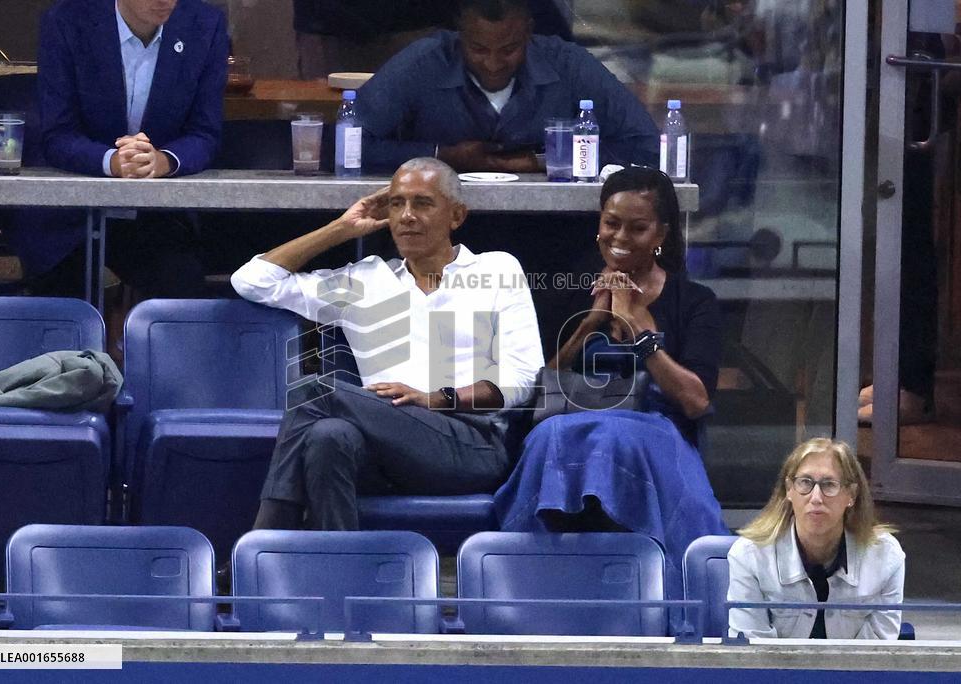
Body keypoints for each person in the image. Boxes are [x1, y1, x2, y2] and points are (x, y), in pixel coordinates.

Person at [231, 157, 543, 530]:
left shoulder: (496, 270)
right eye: (396, 204)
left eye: (422, 203)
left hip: (470, 444)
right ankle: (337, 560)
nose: (407, 216)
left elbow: (524, 378)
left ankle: (268, 532)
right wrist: (340, 228)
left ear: (456, 216)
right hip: (383, 448)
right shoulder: (363, 282)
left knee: (315, 391)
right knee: (328, 436)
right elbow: (253, 281)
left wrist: (435, 398)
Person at [494, 166, 728, 600]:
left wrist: (637, 326)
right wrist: (592, 322)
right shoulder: (569, 290)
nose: (620, 237)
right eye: (611, 223)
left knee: (609, 436)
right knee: (556, 435)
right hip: (566, 426)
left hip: (657, 434)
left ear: (661, 233)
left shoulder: (695, 301)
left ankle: (672, 602)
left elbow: (695, 401)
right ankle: (528, 598)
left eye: (637, 228)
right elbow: (539, 388)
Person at [23, 0, 229, 298]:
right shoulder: (67, 21)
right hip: (72, 212)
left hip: (157, 211)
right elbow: (57, 133)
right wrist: (113, 162)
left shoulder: (205, 25)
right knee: (60, 295)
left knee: (180, 280)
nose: (165, 0)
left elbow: (204, 133)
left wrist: (163, 161)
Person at [355, 0, 659, 173]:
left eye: (509, 49)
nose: (493, 63)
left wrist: (546, 160)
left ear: (528, 33)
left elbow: (647, 146)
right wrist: (440, 155)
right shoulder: (424, 62)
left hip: (555, 230)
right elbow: (349, 146)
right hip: (440, 233)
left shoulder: (568, 63)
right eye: (478, 49)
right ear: (460, 35)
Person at [727, 438, 906, 639]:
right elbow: (750, 648)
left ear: (851, 495)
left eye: (829, 485)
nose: (816, 498)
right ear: (789, 490)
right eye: (805, 483)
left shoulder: (886, 556)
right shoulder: (749, 555)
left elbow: (877, 651)